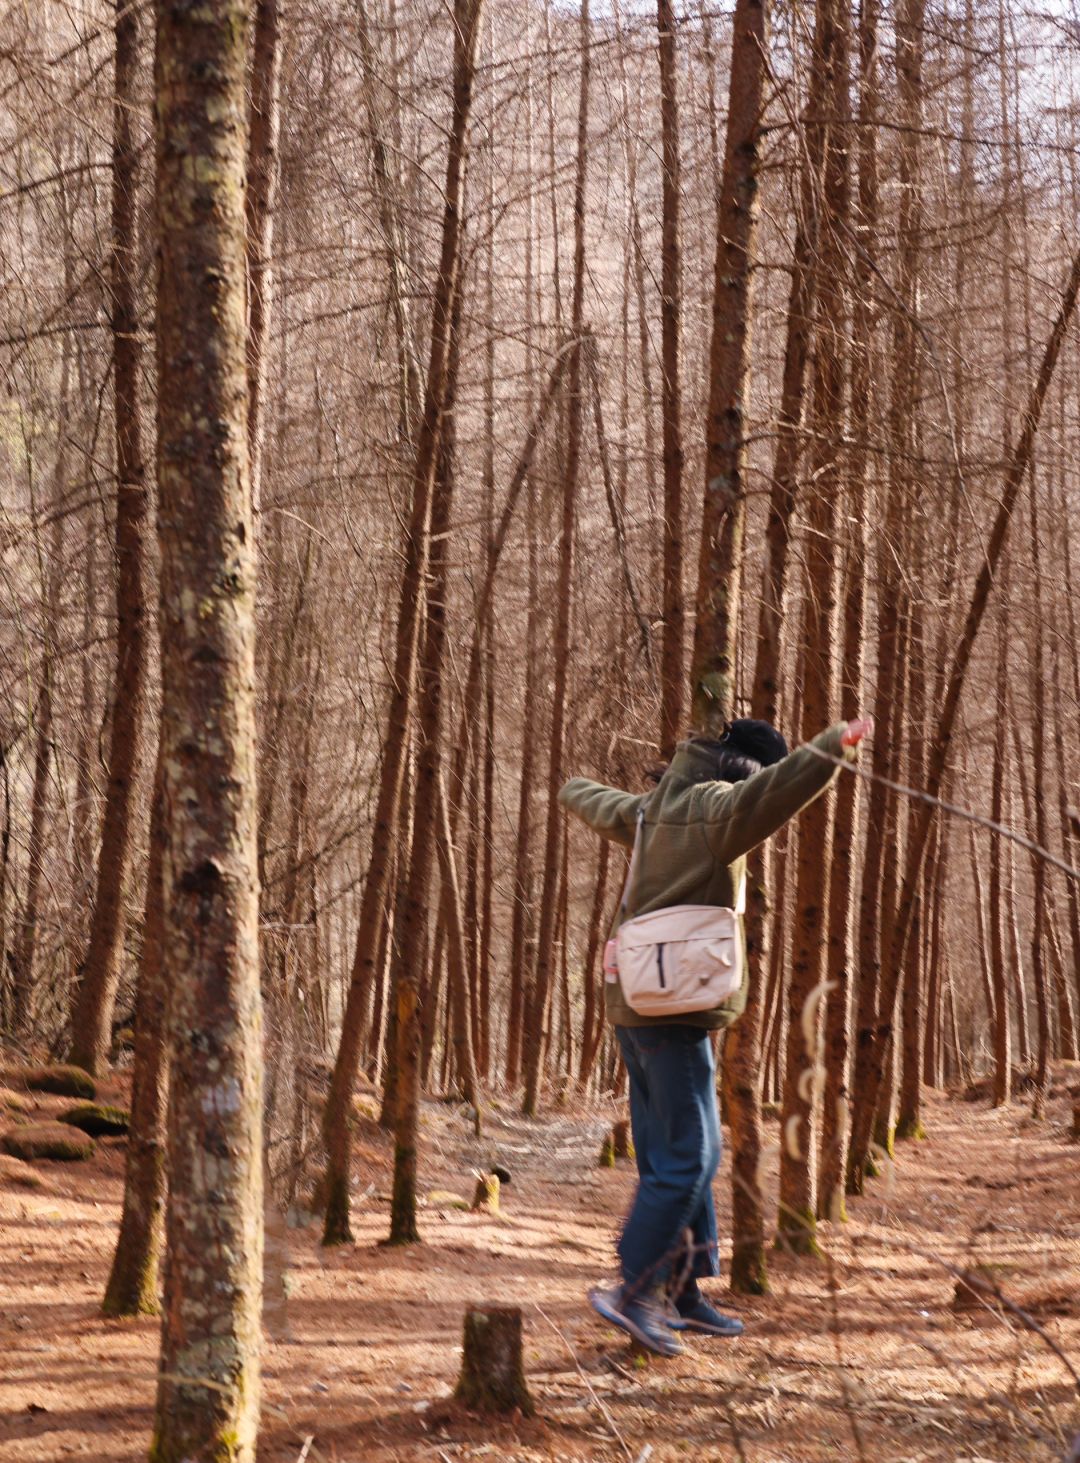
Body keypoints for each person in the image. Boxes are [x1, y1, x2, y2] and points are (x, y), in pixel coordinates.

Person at [560, 714, 872, 1356]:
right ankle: (634, 1290)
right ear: (746, 767)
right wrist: (832, 747)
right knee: (691, 1156)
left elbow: (596, 801)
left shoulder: (653, 810)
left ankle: (683, 1293)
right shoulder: (719, 808)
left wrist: (570, 787)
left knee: (670, 1154)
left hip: (640, 1006)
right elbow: (777, 790)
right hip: (669, 1015)